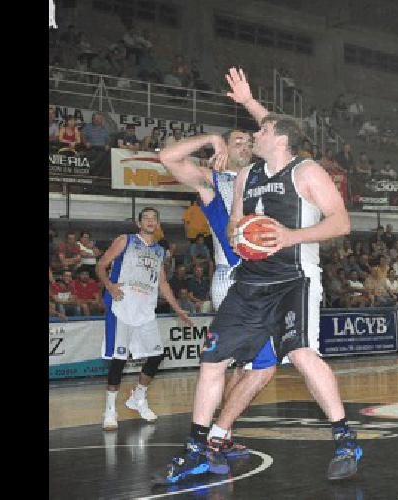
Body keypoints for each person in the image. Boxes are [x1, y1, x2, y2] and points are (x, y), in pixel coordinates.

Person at [155, 67, 361, 484]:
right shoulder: (246, 176)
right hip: (248, 280)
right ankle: (198, 447)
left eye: (260, 131)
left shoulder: (306, 171)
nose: (254, 135)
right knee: (212, 362)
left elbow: (341, 224)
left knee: (301, 355)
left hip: (294, 279)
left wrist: (288, 236)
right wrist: (241, 234)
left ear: (278, 140)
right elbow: (233, 225)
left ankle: (344, 438)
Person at [160, 126, 274, 459]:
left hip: (263, 279)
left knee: (248, 367)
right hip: (234, 277)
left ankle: (220, 433)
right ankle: (210, 436)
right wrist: (210, 139)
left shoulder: (259, 180)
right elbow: (167, 157)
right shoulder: (214, 179)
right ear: (225, 146)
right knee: (235, 365)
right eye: (237, 140)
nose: (245, 145)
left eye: (248, 141)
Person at [96, 207, 195, 431]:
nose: (150, 222)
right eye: (146, 218)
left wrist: (178, 309)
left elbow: (162, 284)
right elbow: (100, 265)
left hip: (145, 310)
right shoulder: (126, 240)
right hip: (121, 307)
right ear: (139, 223)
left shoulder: (159, 251)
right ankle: (110, 409)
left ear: (158, 224)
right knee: (119, 360)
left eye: (154, 219)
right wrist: (110, 286)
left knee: (157, 355)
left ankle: (138, 398)